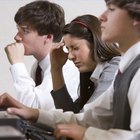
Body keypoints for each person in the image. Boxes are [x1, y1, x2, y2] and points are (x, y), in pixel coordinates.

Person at [1, 0, 140, 139]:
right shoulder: (124, 69)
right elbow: (86, 119)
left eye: (111, 9)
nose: (102, 16)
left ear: (136, 17)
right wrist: (34, 113)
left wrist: (86, 135)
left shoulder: (130, 70)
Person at [4, 0, 79, 110]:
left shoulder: (66, 66)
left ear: (48, 37)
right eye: (18, 29)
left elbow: (34, 108)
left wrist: (17, 65)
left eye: (25, 31)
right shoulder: (38, 66)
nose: (17, 37)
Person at [50, 14, 120, 113]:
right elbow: (68, 114)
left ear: (95, 43)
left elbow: (84, 117)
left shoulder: (115, 67)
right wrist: (56, 68)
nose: (70, 56)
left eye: (75, 48)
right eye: (68, 49)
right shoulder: (90, 74)